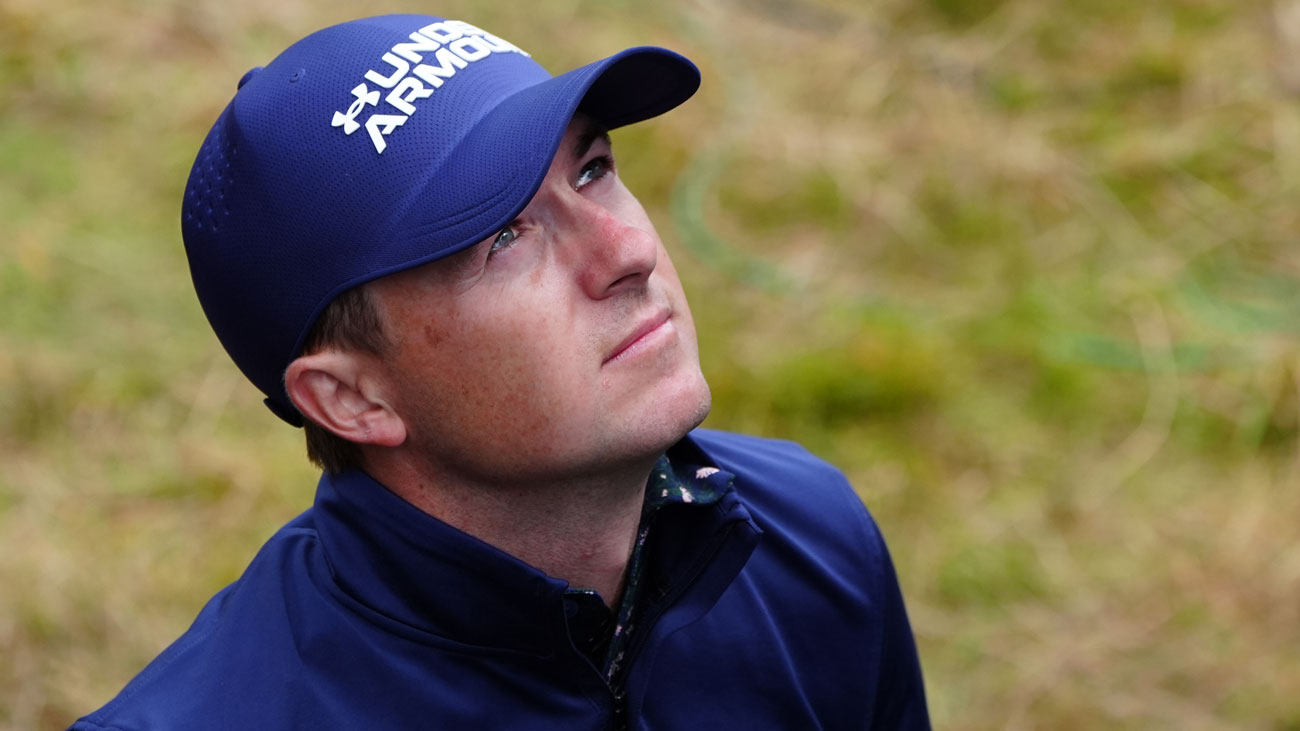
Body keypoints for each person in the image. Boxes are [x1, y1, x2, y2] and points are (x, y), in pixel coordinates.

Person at [70, 13, 930, 731]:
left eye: (592, 170)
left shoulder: (811, 543)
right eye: (503, 237)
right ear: (352, 396)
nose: (630, 250)